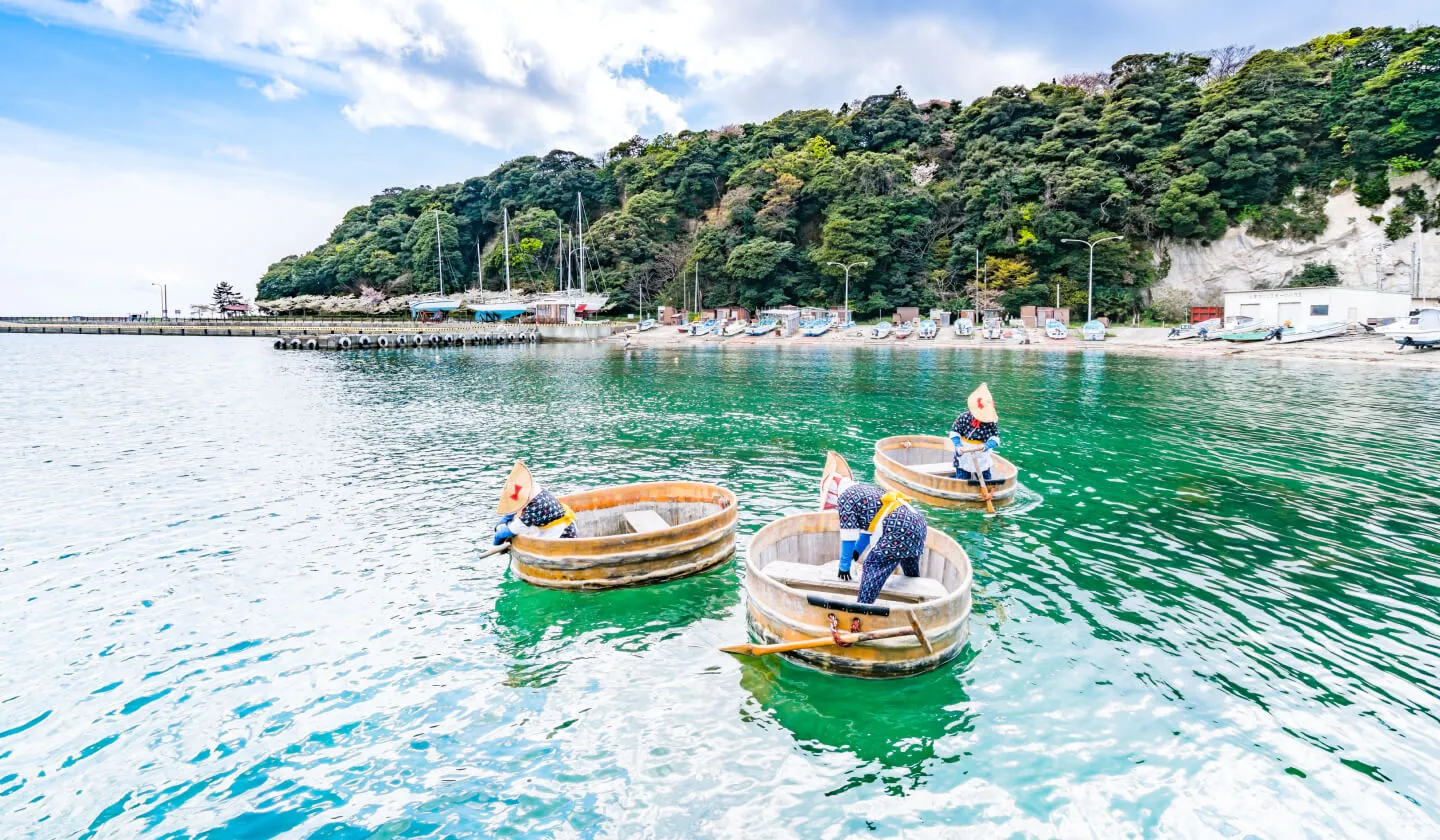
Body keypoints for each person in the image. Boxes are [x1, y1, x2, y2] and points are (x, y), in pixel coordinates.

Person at [818, 451, 929, 605]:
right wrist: (856, 554)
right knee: (908, 563)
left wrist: (844, 566)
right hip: (917, 522)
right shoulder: (864, 490)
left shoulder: (845, 498)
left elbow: (848, 537)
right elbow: (869, 529)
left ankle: (863, 607)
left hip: (899, 527)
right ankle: (918, 600)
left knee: (872, 565)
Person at [492, 460, 578, 545]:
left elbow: (506, 532)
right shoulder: (534, 488)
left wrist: (497, 540)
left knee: (517, 530)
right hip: (559, 525)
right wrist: (507, 518)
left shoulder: (535, 508)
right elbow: (516, 507)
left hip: (563, 536)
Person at [950, 382, 1001, 482]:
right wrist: (958, 445)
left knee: (986, 480)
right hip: (964, 451)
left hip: (981, 453)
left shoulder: (991, 421)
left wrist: (987, 446)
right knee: (962, 479)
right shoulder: (964, 417)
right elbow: (954, 432)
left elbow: (996, 438)